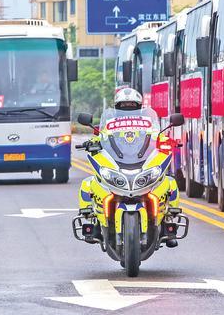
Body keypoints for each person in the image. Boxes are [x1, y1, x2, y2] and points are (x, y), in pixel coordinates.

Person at [77, 88, 180, 246]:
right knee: (88, 184)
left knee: (169, 182)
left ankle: (168, 219)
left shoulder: (149, 127)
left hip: (142, 165)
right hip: (117, 166)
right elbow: (100, 138)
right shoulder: (108, 127)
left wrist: (167, 141)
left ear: (139, 107)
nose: (128, 109)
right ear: (116, 107)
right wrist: (91, 143)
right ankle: (92, 219)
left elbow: (159, 137)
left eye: (132, 105)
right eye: (123, 106)